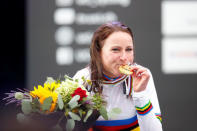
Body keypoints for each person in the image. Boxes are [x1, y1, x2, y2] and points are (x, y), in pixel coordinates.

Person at [73, 21, 162, 131]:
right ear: (98, 52)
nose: (124, 57)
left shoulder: (142, 77)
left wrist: (140, 95)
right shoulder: (82, 79)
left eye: (129, 49)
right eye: (115, 49)